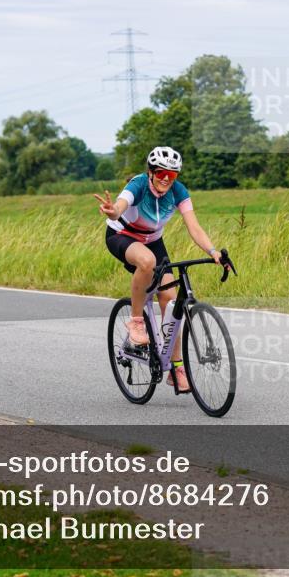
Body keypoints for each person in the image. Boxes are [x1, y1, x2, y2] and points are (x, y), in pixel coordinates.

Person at [95, 147, 225, 393]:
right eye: (161, 172)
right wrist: (114, 211)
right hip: (122, 235)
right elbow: (122, 205)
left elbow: (194, 227)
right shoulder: (139, 185)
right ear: (151, 172)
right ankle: (135, 322)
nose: (166, 178)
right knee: (146, 262)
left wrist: (213, 252)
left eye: (172, 174)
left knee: (171, 301)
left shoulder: (178, 191)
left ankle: (176, 368)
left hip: (153, 240)